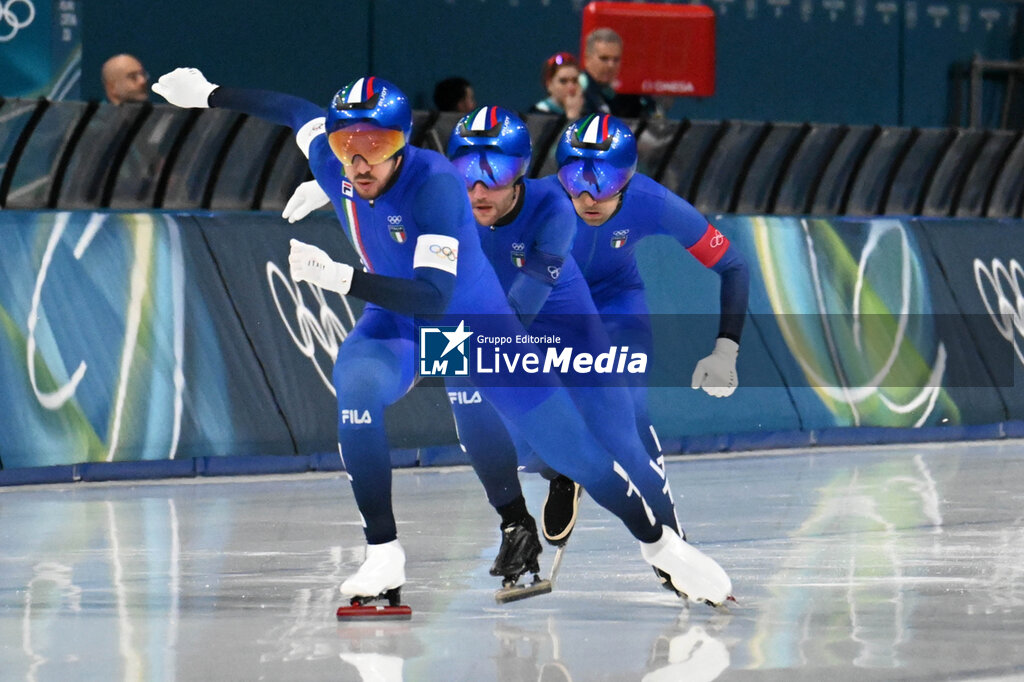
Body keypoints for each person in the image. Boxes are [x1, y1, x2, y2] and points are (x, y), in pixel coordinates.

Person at [152, 69, 733, 609]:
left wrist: (339, 276)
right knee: (357, 386)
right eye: (344, 148)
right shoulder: (341, 165)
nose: (358, 163)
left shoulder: (438, 187)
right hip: (400, 321)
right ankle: (388, 551)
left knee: (575, 454)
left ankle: (660, 545)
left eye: (374, 149)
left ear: (403, 144)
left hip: (474, 324)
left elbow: (432, 297)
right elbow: (292, 110)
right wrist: (209, 93)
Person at [444, 106, 696, 566]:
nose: (479, 188)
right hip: (505, 332)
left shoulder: (555, 209)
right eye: (466, 171)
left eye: (496, 172)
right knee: (510, 447)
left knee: (623, 443)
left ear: (520, 173)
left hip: (569, 334)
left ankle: (676, 550)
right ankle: (561, 473)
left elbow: (517, 313)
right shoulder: (445, 207)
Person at [541, 113, 750, 541]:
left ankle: (671, 539)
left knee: (631, 413)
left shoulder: (652, 202)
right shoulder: (534, 201)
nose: (589, 196)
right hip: (555, 304)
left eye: (606, 181)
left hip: (619, 304)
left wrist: (726, 349)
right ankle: (563, 472)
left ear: (630, 179)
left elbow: (734, 265)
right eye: (575, 179)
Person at [579, 28, 655, 120]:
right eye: (604, 58)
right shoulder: (577, 90)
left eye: (616, 59)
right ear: (587, 59)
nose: (611, 65)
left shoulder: (627, 97)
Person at [530, 52, 583, 121]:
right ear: (549, 84)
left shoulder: (588, 111)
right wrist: (572, 117)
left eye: (575, 81)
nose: (571, 87)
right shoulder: (537, 115)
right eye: (563, 81)